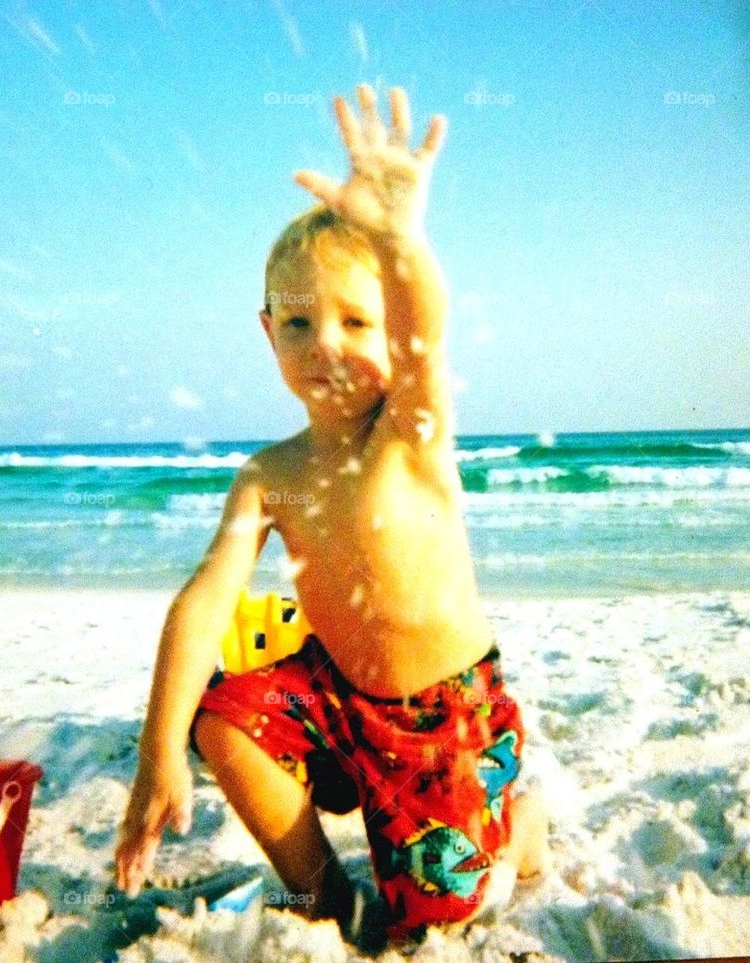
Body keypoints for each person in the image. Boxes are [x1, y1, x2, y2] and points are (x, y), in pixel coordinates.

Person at [114, 84, 548, 947]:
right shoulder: (270, 474)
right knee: (224, 720)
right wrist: (157, 750)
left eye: (357, 320)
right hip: (337, 700)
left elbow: (431, 327)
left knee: (436, 913)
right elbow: (206, 599)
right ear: (267, 332)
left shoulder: (409, 435)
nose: (327, 345)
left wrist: (400, 243)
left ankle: (521, 825)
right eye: (301, 322)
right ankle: (325, 894)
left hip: (441, 719)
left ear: (393, 334)